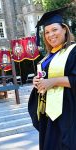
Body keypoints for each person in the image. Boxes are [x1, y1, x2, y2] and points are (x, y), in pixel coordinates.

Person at [28, 7, 76, 150]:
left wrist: (53, 82)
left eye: (54, 30)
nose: (51, 35)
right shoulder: (47, 57)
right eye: (47, 32)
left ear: (65, 30)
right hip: (48, 113)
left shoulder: (73, 51)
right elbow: (44, 78)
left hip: (68, 112)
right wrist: (36, 81)